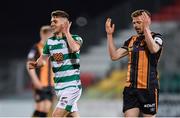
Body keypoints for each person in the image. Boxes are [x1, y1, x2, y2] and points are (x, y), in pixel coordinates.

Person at [105, 9, 163, 117]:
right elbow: (114, 56)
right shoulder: (132, 40)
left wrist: (146, 29)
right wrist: (109, 35)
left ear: (147, 21)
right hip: (130, 89)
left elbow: (153, 49)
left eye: (139, 22)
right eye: (134, 23)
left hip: (148, 88)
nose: (135, 25)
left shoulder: (157, 37)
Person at [27, 10, 83, 117]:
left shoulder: (76, 38)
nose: (52, 23)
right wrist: (36, 64)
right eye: (51, 21)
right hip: (59, 87)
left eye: (55, 21)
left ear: (64, 24)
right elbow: (43, 59)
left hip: (72, 87)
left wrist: (66, 32)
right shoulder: (50, 42)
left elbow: (75, 48)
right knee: (72, 115)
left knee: (56, 115)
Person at [26, 25, 55, 117]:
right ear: (43, 34)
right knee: (42, 107)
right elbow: (29, 64)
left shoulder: (52, 49)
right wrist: (35, 81)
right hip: (40, 83)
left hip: (51, 83)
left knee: (45, 107)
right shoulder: (36, 48)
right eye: (50, 35)